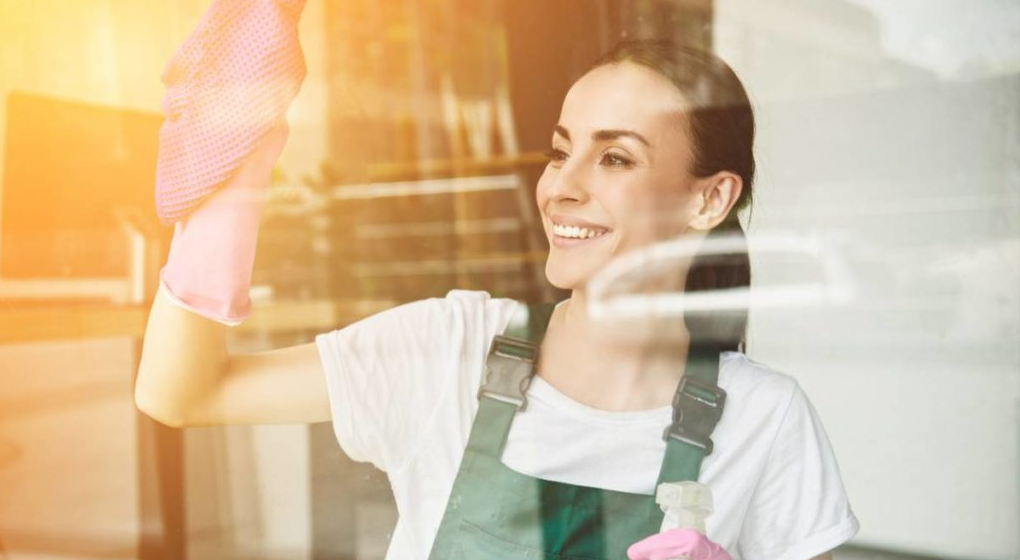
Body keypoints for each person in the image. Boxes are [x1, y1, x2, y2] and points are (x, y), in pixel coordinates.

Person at [136, 31, 859, 560]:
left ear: (709, 201)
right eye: (558, 149)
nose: (561, 186)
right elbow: (185, 393)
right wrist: (239, 177)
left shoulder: (763, 419)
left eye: (614, 157)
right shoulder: (447, 351)